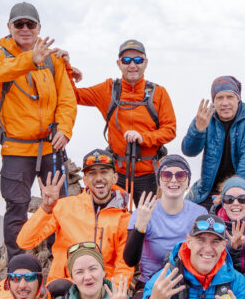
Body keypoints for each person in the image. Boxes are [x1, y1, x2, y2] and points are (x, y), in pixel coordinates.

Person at [0, 2, 76, 260]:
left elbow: (67, 99)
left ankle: (60, 264)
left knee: (59, 206)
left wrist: (65, 129)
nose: (24, 29)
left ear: (38, 28)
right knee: (16, 207)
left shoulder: (53, 60)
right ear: (9, 27)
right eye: (19, 24)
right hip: (16, 148)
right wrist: (29, 60)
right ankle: (18, 266)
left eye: (30, 24)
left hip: (51, 146)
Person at [74, 39, 176, 199]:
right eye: (126, 60)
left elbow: (170, 130)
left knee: (148, 221)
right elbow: (75, 95)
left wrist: (143, 137)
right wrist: (67, 71)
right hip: (117, 174)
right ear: (118, 63)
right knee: (113, 219)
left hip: (149, 174)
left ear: (146, 63)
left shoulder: (159, 93)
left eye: (138, 60)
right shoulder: (108, 90)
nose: (132, 65)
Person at [18, 148, 133, 290]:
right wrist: (45, 208)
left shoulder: (124, 218)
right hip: (65, 285)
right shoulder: (64, 206)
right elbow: (25, 241)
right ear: (84, 180)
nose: (98, 178)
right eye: (92, 173)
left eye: (104, 172)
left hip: (104, 288)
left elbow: (124, 266)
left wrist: (113, 291)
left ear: (114, 177)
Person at [182, 76, 245, 208]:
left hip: (244, 186)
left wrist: (229, 193)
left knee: (232, 218)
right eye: (219, 98)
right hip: (209, 188)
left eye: (230, 97)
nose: (225, 103)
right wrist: (198, 130)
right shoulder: (206, 116)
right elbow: (189, 151)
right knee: (188, 214)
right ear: (213, 100)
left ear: (238, 99)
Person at [123, 155, 208, 284]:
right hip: (150, 282)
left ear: (187, 183)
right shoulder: (143, 212)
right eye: (166, 175)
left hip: (188, 282)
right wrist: (141, 225)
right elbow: (130, 260)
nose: (173, 180)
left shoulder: (199, 213)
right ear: (160, 182)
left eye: (180, 175)